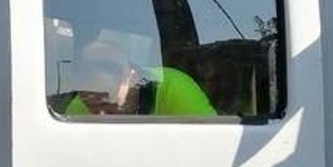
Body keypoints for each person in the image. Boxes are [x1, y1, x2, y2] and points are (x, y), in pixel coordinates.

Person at [54, 37, 216, 117]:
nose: (100, 115)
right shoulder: (78, 107)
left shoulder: (175, 88)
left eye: (107, 101)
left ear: (133, 78)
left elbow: (211, 146)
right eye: (92, 105)